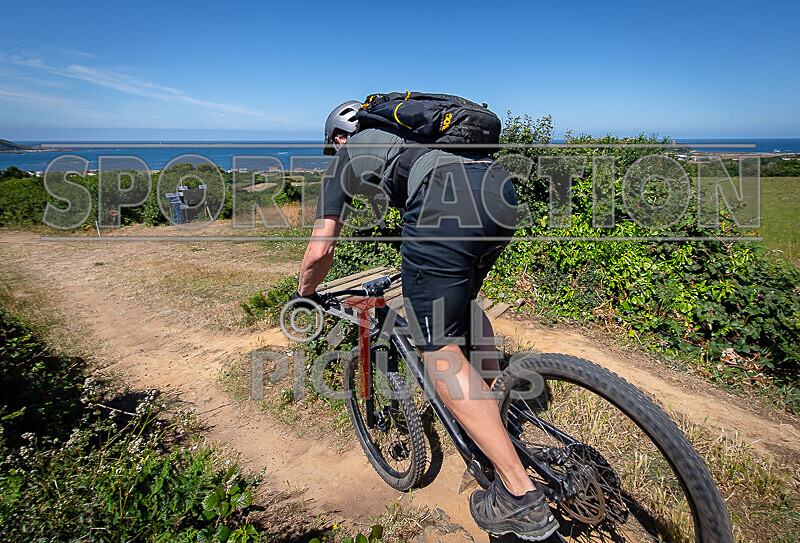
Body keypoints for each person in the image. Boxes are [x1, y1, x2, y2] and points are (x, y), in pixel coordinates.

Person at [291, 100, 559, 540]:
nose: (336, 150)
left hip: (442, 204)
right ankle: (493, 407)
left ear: (339, 135)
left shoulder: (345, 156)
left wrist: (305, 292)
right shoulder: (416, 139)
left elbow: (321, 247)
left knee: (437, 349)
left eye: (333, 144)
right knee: (461, 306)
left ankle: (519, 495)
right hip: (499, 193)